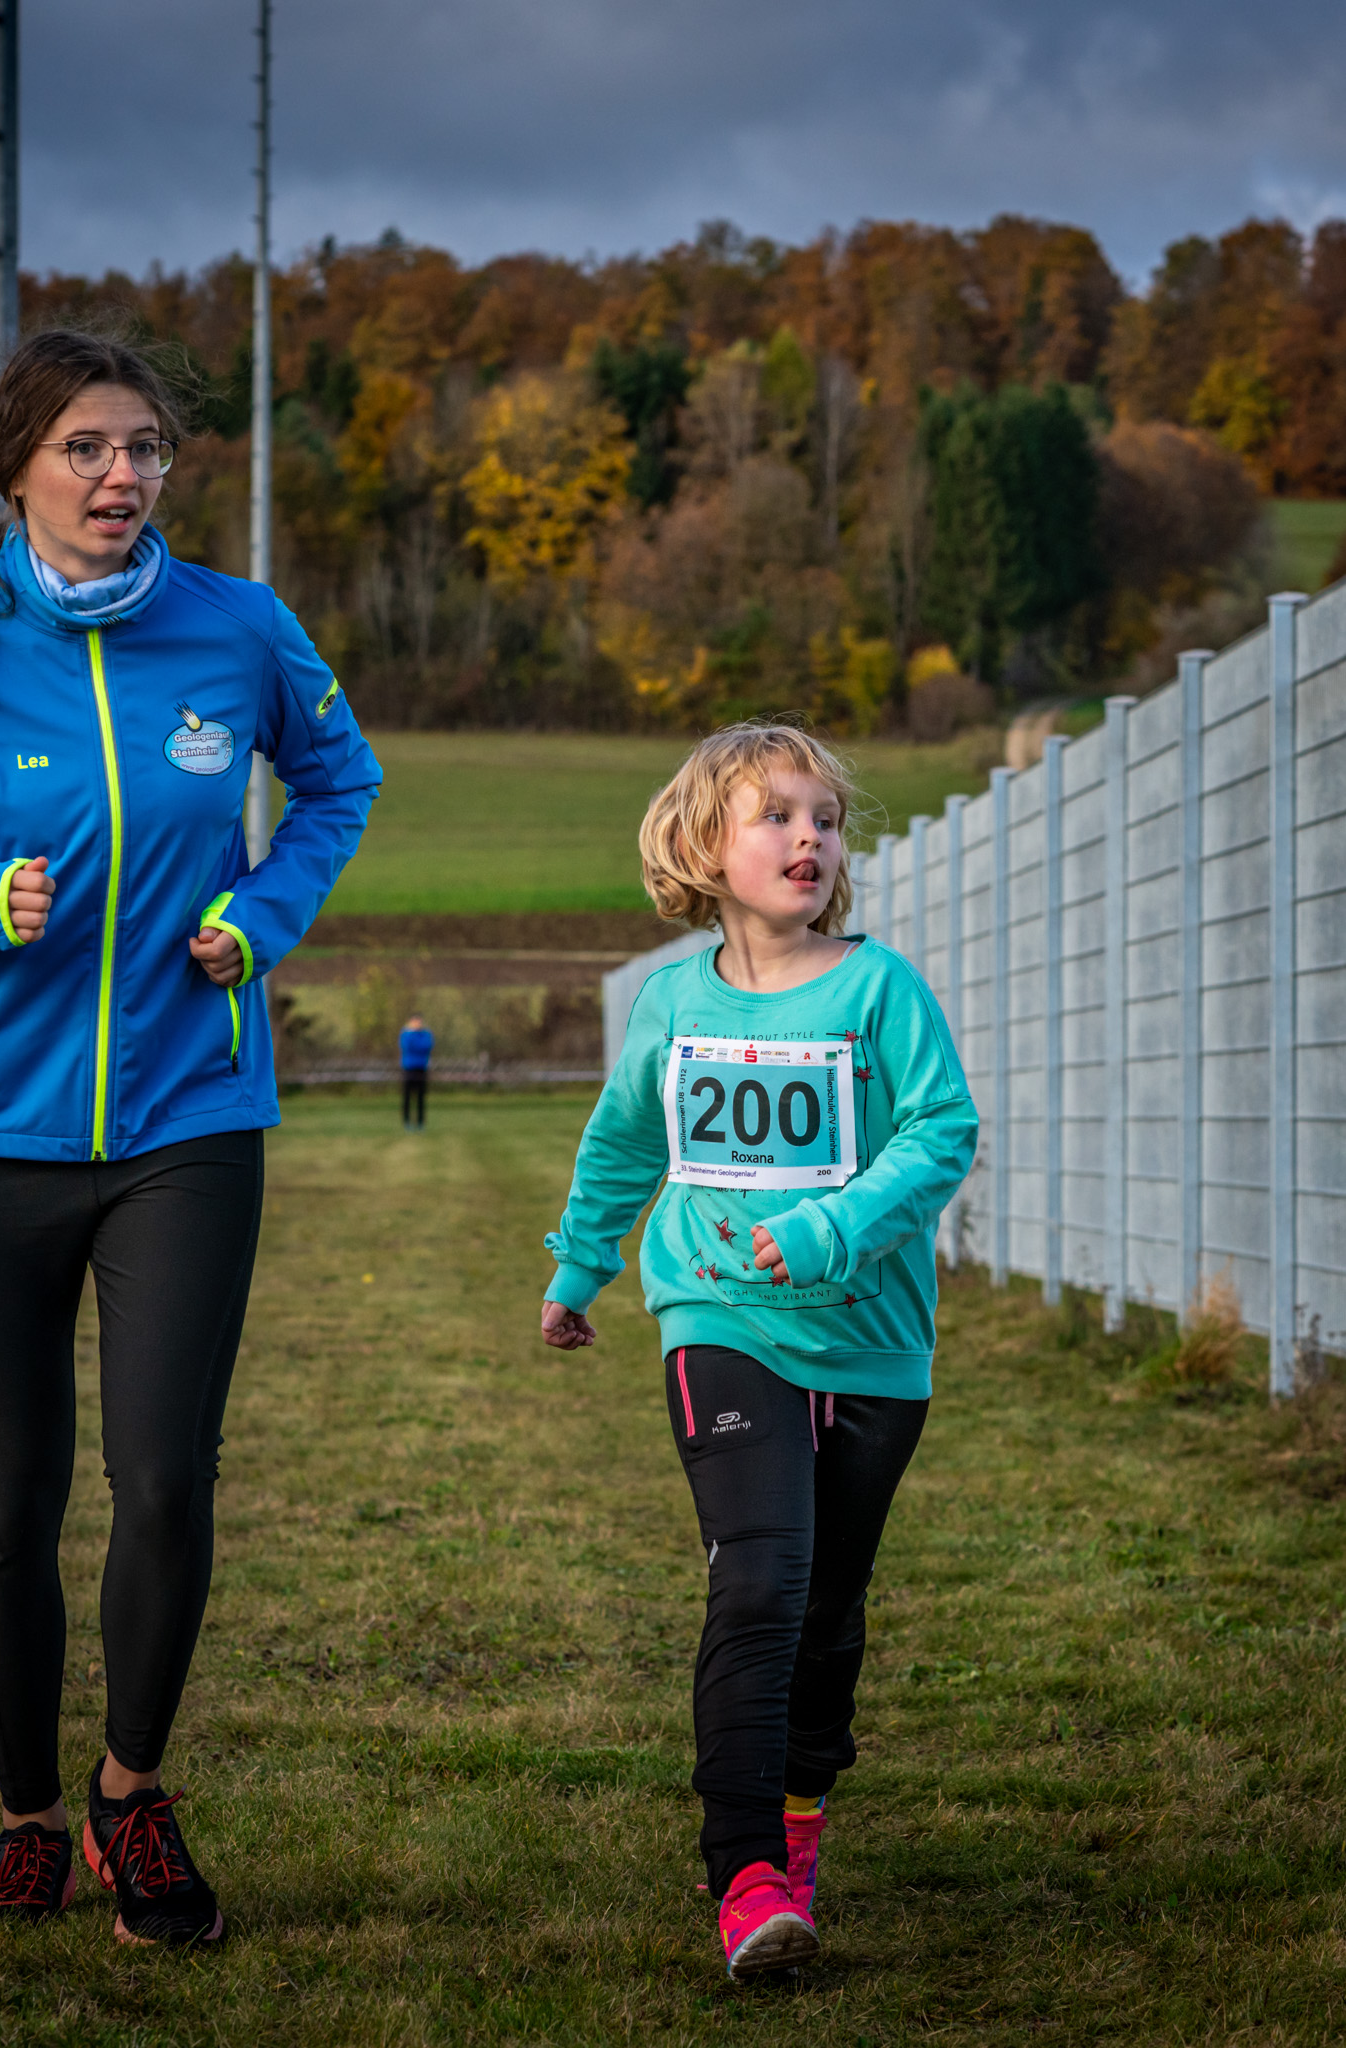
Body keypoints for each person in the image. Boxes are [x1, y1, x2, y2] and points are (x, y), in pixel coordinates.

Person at [0, 329, 380, 1946]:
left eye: (147, 450)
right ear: (20, 468)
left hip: (190, 1118)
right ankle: (25, 1814)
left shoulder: (240, 629)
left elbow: (339, 784)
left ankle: (129, 1794)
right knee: (9, 1506)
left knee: (165, 1478)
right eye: (89, 449)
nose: (125, 476)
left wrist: (261, 915)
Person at [538, 721, 976, 1980]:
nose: (807, 838)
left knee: (827, 1607)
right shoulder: (674, 1003)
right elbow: (627, 1139)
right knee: (760, 1578)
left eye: (824, 819)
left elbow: (942, 1128)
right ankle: (744, 1873)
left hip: (873, 1342)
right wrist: (580, 1265)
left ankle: (797, 1815)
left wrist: (834, 1225)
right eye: (774, 815)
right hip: (717, 1314)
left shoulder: (879, 989)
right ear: (703, 847)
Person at [399, 1011, 433, 1127]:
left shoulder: (426, 1034)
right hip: (408, 1068)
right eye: (415, 1021)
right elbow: (407, 1047)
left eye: (419, 1021)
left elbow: (426, 1047)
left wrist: (416, 1045)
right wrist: (412, 1037)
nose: (417, 1024)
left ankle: (420, 1122)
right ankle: (407, 1121)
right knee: (407, 1096)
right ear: (410, 1022)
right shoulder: (406, 1034)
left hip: (421, 1068)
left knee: (420, 1097)